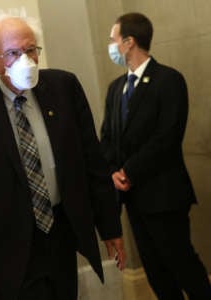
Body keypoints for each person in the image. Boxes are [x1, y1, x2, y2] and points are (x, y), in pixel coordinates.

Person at [0, 11, 125, 300]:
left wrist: (110, 226)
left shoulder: (64, 87)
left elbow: (93, 161)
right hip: (4, 243)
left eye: (30, 50)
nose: (25, 60)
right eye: (13, 53)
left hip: (59, 233)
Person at [100, 12, 211, 300]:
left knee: (183, 266)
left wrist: (129, 172)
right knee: (156, 272)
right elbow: (107, 138)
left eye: (113, 40)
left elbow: (167, 137)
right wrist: (112, 170)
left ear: (129, 42)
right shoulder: (115, 89)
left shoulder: (169, 80)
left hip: (165, 196)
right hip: (133, 198)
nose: (110, 45)